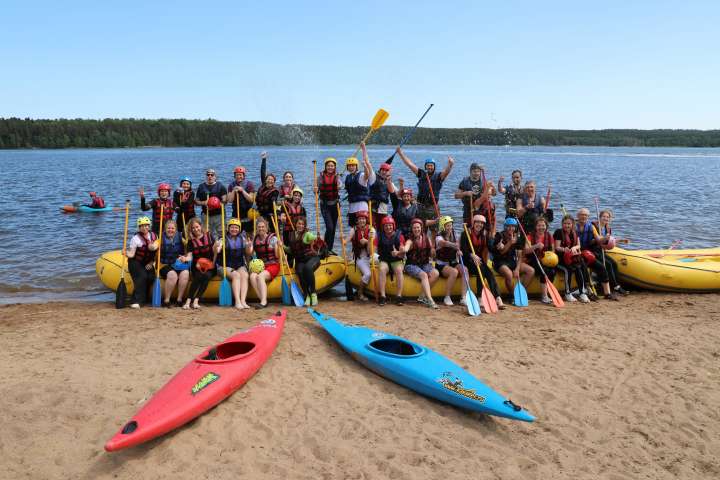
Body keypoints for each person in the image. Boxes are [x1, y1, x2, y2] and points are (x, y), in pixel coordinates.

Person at [396, 147, 454, 227]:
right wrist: (400, 153)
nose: (429, 167)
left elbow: (446, 172)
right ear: (425, 166)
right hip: (421, 207)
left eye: (431, 166)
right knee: (422, 228)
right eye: (428, 165)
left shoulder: (438, 176)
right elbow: (409, 164)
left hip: (433, 207)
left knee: (434, 230)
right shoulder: (421, 174)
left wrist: (450, 164)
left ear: (434, 167)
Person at [460, 214, 504, 309]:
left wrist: (498, 247)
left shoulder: (485, 234)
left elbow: (491, 248)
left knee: (489, 273)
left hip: (478, 261)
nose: (479, 225)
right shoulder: (466, 233)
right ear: (473, 223)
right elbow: (463, 250)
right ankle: (480, 297)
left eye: (481, 223)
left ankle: (497, 297)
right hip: (467, 261)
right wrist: (472, 255)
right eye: (477, 222)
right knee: (482, 269)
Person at [576, 208, 618, 301]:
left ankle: (607, 293)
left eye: (586, 215)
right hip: (576, 251)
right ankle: (589, 291)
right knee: (583, 266)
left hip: (587, 251)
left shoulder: (591, 227)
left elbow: (598, 239)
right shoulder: (574, 226)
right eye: (582, 215)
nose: (584, 217)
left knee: (601, 267)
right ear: (578, 216)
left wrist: (605, 238)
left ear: (588, 217)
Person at [492, 217, 534, 303]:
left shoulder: (518, 237)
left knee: (531, 271)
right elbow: (501, 253)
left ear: (516, 227)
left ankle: (519, 292)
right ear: (505, 227)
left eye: (513, 226)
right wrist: (510, 243)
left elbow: (520, 255)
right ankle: (512, 295)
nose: (511, 228)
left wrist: (517, 269)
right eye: (508, 226)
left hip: (512, 261)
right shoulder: (499, 236)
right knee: (509, 274)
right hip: (499, 262)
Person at [215, 218, 252, 309]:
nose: (234, 229)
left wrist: (248, 246)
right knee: (236, 275)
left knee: (245, 275)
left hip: (238, 265)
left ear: (239, 229)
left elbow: (248, 253)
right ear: (228, 228)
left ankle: (243, 301)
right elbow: (218, 247)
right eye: (232, 227)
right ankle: (237, 301)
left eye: (236, 228)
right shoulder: (223, 238)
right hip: (224, 266)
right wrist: (218, 247)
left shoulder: (243, 239)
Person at [404, 218, 440, 309]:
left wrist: (433, 251)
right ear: (412, 229)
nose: (416, 230)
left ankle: (422, 296)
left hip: (424, 264)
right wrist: (404, 249)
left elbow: (432, 253)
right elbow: (406, 247)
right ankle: (430, 300)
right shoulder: (410, 240)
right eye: (414, 228)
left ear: (421, 228)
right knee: (424, 275)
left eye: (418, 228)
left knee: (436, 273)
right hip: (411, 265)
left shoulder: (426, 238)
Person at [287, 217, 322, 306]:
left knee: (307, 268)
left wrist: (314, 236)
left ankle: (313, 294)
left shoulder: (307, 234)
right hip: (300, 260)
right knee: (299, 271)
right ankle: (307, 295)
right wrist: (281, 246)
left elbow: (314, 238)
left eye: (302, 224)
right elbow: (290, 250)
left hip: (312, 258)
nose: (301, 226)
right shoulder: (291, 235)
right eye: (299, 224)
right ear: (295, 224)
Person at [183, 217, 217, 310]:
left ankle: (196, 300)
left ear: (201, 226)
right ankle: (188, 300)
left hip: (210, 266)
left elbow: (215, 249)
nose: (195, 229)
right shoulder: (190, 242)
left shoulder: (209, 236)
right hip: (197, 266)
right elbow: (190, 256)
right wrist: (185, 259)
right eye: (193, 228)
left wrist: (218, 247)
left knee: (206, 276)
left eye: (197, 227)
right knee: (198, 276)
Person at [375, 216, 409, 306]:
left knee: (398, 270)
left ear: (393, 226)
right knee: (382, 269)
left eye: (390, 225)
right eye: (386, 225)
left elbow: (403, 253)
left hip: (396, 260)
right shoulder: (379, 236)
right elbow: (371, 250)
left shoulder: (399, 236)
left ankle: (398, 296)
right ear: (383, 227)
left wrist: (398, 253)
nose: (388, 227)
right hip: (385, 259)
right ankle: (382, 296)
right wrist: (370, 240)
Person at [434, 216, 468, 306]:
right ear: (443, 227)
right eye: (447, 226)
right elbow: (444, 243)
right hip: (441, 265)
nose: (450, 227)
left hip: (453, 262)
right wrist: (454, 245)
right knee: (454, 272)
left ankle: (463, 297)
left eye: (450, 225)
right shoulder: (438, 237)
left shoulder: (454, 234)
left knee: (465, 270)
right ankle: (447, 297)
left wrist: (458, 250)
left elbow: (458, 246)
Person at [592, 209, 628, 295]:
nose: (605, 218)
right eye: (604, 216)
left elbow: (610, 241)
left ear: (610, 219)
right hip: (593, 250)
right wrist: (603, 239)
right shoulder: (594, 226)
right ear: (599, 217)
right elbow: (596, 240)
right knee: (608, 264)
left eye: (607, 217)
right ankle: (615, 286)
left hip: (601, 250)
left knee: (614, 263)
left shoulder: (607, 228)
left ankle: (617, 286)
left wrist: (621, 240)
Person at [553, 214, 588, 303]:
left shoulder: (574, 233)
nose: (567, 225)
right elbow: (557, 247)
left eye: (569, 224)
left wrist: (574, 248)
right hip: (560, 259)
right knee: (567, 270)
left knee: (578, 268)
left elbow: (578, 245)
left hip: (570, 258)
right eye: (565, 223)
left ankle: (582, 292)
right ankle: (567, 293)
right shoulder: (558, 232)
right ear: (562, 224)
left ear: (572, 224)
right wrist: (564, 249)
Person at [126, 216, 158, 308]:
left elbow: (156, 252)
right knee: (142, 277)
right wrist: (125, 253)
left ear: (149, 226)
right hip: (136, 262)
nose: (144, 227)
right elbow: (132, 254)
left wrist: (152, 262)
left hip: (148, 262)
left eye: (146, 225)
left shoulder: (155, 236)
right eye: (142, 226)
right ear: (139, 227)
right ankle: (136, 301)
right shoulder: (135, 239)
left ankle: (144, 298)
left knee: (151, 277)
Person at [523, 216, 557, 304]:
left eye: (543, 225)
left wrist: (550, 257)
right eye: (539, 225)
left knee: (552, 271)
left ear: (546, 226)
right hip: (532, 260)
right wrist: (536, 246)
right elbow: (526, 251)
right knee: (544, 271)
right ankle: (544, 296)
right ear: (535, 226)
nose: (541, 227)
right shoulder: (530, 236)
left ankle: (548, 293)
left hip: (545, 260)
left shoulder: (549, 236)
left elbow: (553, 251)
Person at [249, 217, 282, 308]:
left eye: (263, 227)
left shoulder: (273, 239)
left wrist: (279, 246)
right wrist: (249, 245)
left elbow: (278, 256)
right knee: (252, 276)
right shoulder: (255, 239)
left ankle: (263, 302)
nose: (261, 229)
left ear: (266, 228)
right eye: (259, 227)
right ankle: (262, 299)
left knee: (260, 276)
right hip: (261, 266)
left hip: (273, 264)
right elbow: (250, 254)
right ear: (257, 229)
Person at [159, 220, 190, 307]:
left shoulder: (180, 236)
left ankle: (179, 300)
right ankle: (166, 300)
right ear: (165, 229)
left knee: (185, 273)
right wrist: (152, 246)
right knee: (172, 275)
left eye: (172, 228)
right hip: (165, 265)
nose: (170, 230)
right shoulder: (161, 238)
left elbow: (187, 244)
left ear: (176, 230)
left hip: (178, 264)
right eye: (168, 228)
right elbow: (154, 246)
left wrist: (188, 241)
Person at [315, 157, 343, 253]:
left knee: (333, 229)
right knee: (329, 227)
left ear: (334, 167)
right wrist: (315, 190)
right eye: (328, 166)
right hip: (325, 205)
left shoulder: (337, 176)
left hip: (335, 205)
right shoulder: (320, 177)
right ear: (325, 167)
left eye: (332, 166)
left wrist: (339, 184)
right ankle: (325, 248)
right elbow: (316, 189)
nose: (330, 167)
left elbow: (340, 185)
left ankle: (329, 249)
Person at [345, 142, 375, 227]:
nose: (351, 167)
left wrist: (365, 166)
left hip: (362, 206)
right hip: (352, 207)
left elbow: (367, 175)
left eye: (353, 166)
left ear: (356, 166)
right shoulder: (348, 177)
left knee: (363, 228)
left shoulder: (361, 175)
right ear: (347, 167)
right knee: (353, 228)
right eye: (349, 166)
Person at [347, 211, 374, 301]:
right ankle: (360, 293)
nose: (362, 220)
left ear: (366, 220)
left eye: (363, 219)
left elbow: (372, 249)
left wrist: (368, 241)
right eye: (360, 219)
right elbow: (349, 238)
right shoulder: (353, 230)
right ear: (357, 221)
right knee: (367, 274)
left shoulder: (371, 230)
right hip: (360, 257)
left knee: (382, 260)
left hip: (371, 254)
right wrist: (344, 241)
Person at [195, 168, 227, 240]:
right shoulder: (201, 187)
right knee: (207, 234)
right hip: (206, 215)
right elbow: (196, 201)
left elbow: (225, 201)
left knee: (221, 234)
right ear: (206, 176)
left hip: (219, 215)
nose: (210, 176)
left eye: (212, 175)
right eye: (208, 175)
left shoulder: (221, 186)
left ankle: (222, 249)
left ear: (215, 176)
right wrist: (204, 202)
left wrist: (215, 204)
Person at [226, 166, 256, 233]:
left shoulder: (249, 184)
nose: (239, 176)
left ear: (244, 175)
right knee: (236, 232)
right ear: (234, 176)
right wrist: (234, 190)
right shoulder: (231, 185)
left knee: (249, 233)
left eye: (240, 175)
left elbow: (251, 199)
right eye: (237, 175)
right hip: (236, 213)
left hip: (248, 213)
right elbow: (230, 200)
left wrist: (242, 191)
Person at [369, 162, 397, 228]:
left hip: (383, 210)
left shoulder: (390, 183)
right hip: (373, 208)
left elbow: (397, 193)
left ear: (389, 172)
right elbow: (369, 167)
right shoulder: (374, 178)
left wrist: (401, 185)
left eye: (386, 170)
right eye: (382, 170)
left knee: (382, 228)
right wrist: (364, 152)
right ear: (380, 171)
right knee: (372, 227)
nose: (384, 172)